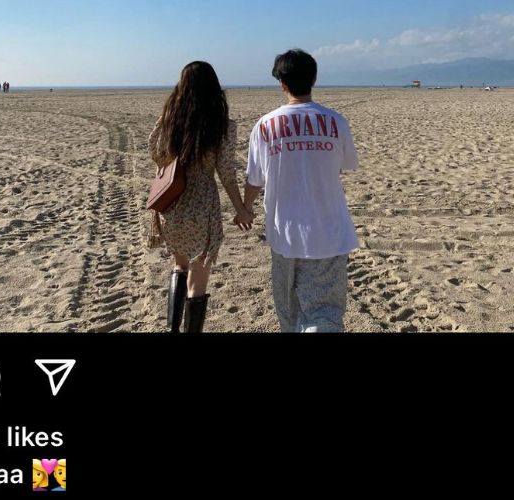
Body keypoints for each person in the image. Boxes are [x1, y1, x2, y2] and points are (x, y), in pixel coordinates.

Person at [242, 49, 360, 333]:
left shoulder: (265, 125)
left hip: (283, 232)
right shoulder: (336, 121)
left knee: (289, 310)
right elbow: (345, 165)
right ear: (313, 79)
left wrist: (245, 208)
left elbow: (254, 179)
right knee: (324, 310)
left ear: (282, 83)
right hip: (328, 230)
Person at [148, 61, 253, 333]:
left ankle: (173, 330)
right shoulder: (222, 125)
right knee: (198, 277)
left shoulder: (171, 120)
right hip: (203, 204)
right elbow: (226, 173)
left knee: (179, 265)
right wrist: (241, 209)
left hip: (172, 201)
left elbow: (155, 152)